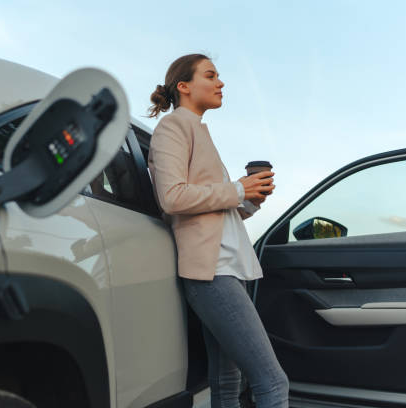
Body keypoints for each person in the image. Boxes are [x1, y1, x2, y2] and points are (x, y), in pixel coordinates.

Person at [146, 54, 289, 408]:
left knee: (227, 381)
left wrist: (250, 198)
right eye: (210, 76)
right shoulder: (174, 127)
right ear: (184, 86)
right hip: (212, 273)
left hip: (228, 269)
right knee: (272, 382)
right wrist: (238, 188)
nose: (220, 82)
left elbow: (217, 210)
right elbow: (173, 197)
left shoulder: (198, 132)